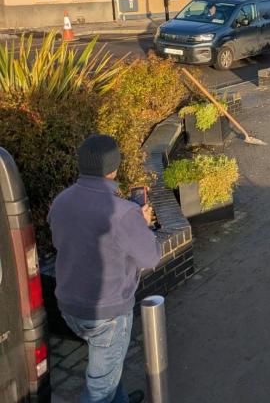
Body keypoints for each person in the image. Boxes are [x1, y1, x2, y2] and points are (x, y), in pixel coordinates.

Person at [48, 135, 161, 403]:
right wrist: (141, 223)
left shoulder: (61, 201)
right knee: (100, 388)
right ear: (114, 169)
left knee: (108, 365)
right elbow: (151, 257)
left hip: (68, 307)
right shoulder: (123, 213)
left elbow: (58, 241)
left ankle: (119, 399)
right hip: (106, 315)